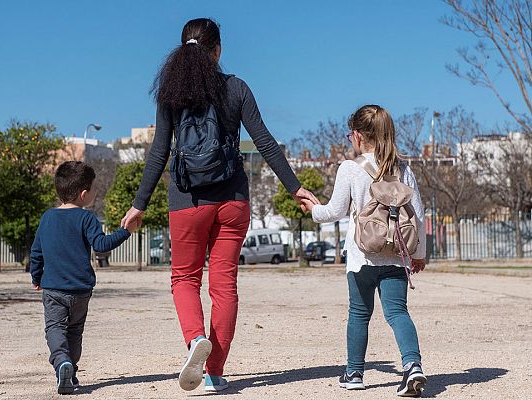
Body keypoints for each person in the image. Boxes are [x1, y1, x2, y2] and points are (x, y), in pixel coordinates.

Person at [120, 18, 319, 392]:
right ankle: (214, 373)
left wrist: (138, 204)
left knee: (184, 278)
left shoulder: (170, 93)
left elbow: (159, 152)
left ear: (182, 50)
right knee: (224, 284)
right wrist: (294, 187)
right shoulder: (236, 88)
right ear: (219, 49)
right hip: (233, 201)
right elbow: (264, 140)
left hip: (187, 201)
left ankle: (196, 339)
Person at [301, 105, 427, 397]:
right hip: (396, 254)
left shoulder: (350, 168)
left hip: (361, 257)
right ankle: (412, 366)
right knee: (397, 312)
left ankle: (354, 373)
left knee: (359, 313)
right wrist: (418, 253)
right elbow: (418, 215)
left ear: (357, 136)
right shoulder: (403, 168)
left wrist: (313, 209)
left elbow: (334, 211)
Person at [30, 161, 140, 395]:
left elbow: (36, 252)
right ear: (83, 194)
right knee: (75, 331)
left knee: (55, 329)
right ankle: (72, 370)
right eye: (94, 189)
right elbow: (101, 245)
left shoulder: (47, 218)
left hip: (53, 289)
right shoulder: (87, 218)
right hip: (80, 290)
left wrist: (36, 276)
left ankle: (62, 364)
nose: (95, 192)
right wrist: (126, 231)